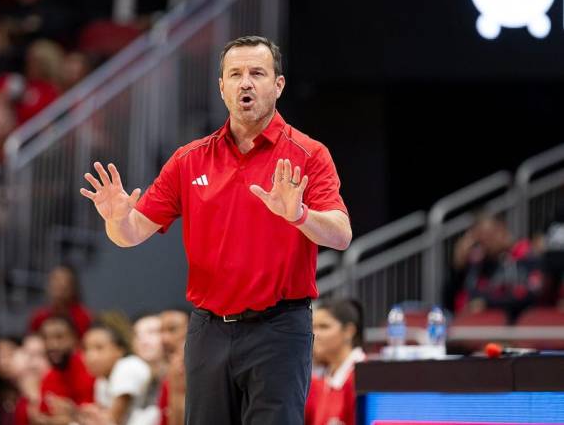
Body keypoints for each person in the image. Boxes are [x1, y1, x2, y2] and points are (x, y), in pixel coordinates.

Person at [79, 35, 351, 424]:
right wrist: (116, 219)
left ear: (278, 85)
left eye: (257, 73)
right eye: (235, 74)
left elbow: (341, 235)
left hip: (278, 329)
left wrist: (300, 215)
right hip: (209, 330)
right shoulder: (189, 160)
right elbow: (131, 233)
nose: (245, 83)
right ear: (221, 87)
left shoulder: (308, 154)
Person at [15, 315, 95, 424]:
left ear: (75, 339)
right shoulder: (49, 378)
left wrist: (74, 414)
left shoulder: (90, 369)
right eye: (46, 338)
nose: (52, 345)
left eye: (59, 337)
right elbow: (43, 417)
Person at [79, 314, 153, 425]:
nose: (90, 356)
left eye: (99, 348)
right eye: (86, 349)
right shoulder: (102, 379)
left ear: (120, 350)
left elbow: (113, 421)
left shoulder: (128, 366)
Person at [305, 299, 365, 425]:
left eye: (323, 327)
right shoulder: (319, 381)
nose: (315, 334)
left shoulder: (364, 377)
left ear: (349, 331)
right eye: (313, 327)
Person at [28, 264, 93, 337]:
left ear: (72, 287)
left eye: (65, 281)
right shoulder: (39, 316)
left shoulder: (82, 317)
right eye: (55, 280)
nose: (60, 284)